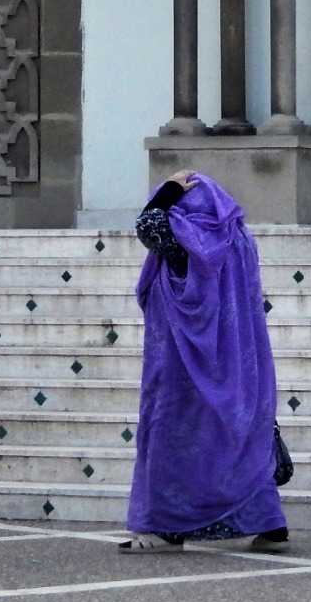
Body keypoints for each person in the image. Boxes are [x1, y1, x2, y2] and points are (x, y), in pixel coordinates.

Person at [120, 169, 290, 553]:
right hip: (235, 361)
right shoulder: (237, 237)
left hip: (181, 369)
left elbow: (148, 225)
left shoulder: (189, 237)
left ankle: (166, 527)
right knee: (238, 442)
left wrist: (167, 191)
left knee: (174, 439)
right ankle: (268, 522)